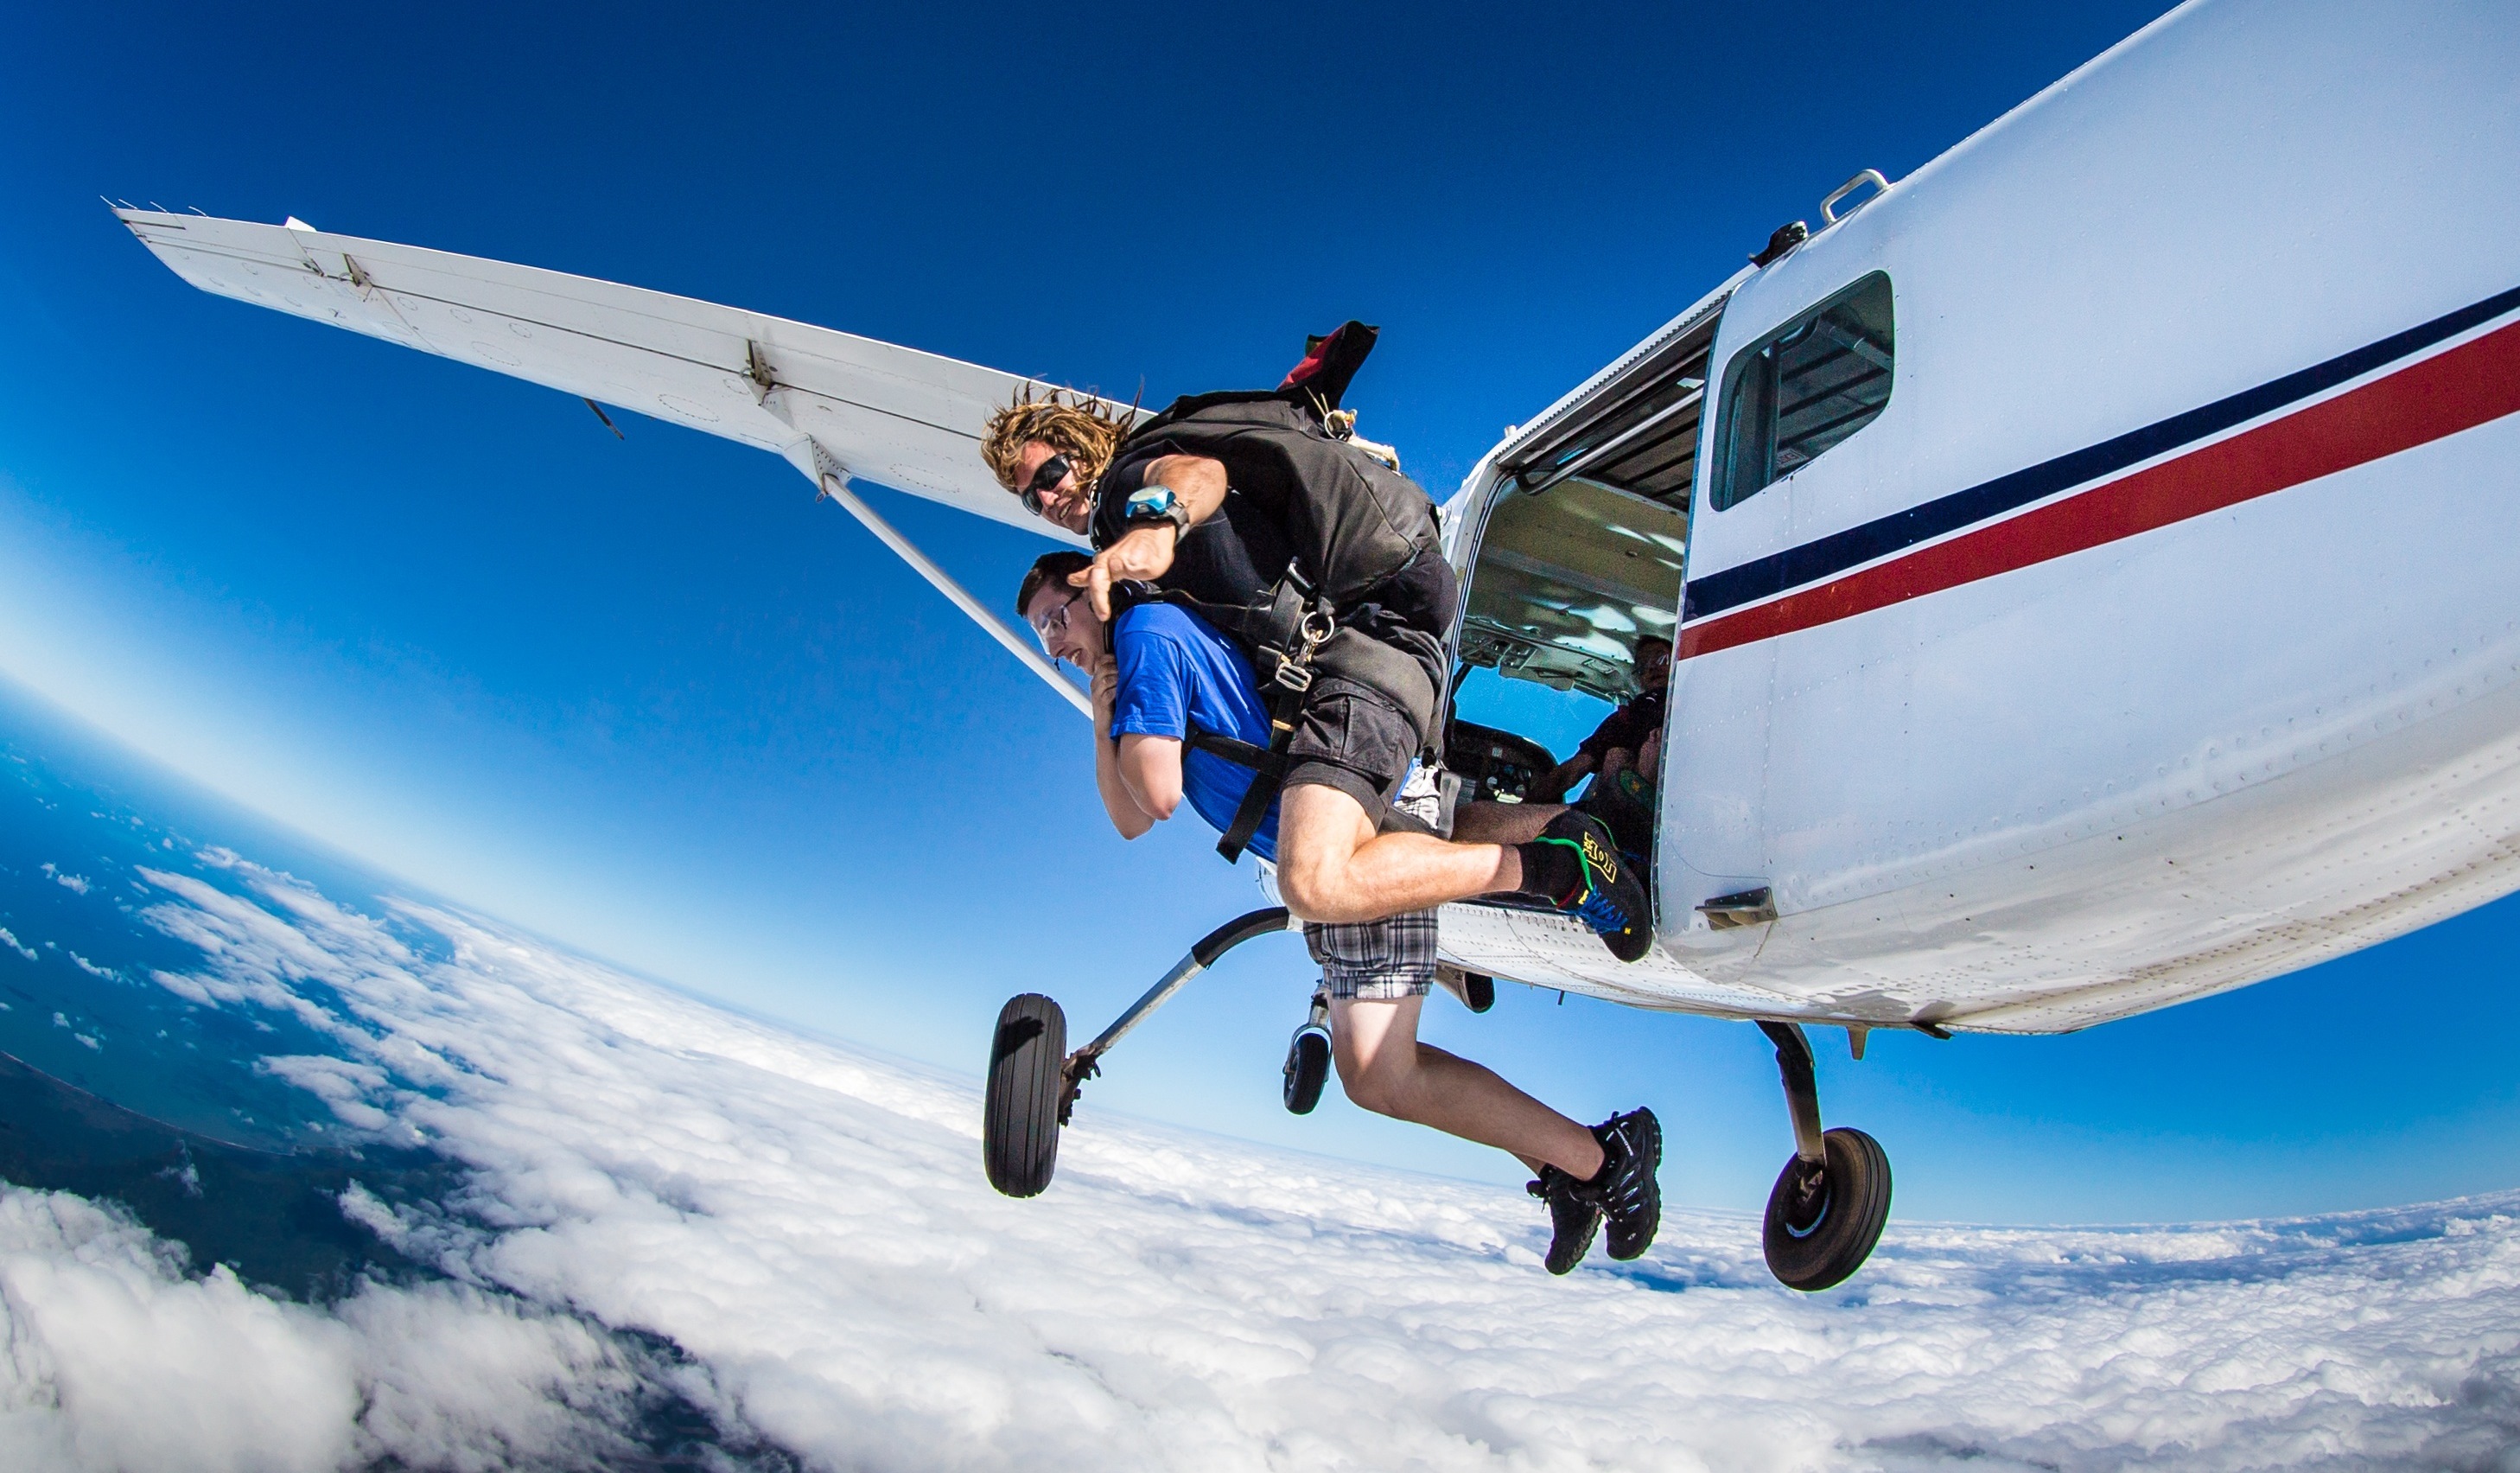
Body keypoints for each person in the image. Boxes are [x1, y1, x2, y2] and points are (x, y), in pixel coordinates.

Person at [1017, 551, 1660, 1272]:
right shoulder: (1141, 647)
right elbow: (1129, 820)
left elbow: (1153, 799)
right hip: (1340, 799)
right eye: (1042, 635)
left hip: (1335, 832)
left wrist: (1114, 710)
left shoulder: (1144, 638)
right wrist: (1105, 710)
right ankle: (1567, 1159)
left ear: (1095, 591)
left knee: (1379, 1075)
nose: (1055, 645)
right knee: (1449, 836)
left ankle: (1601, 1160)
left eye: (1055, 619)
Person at [981, 349, 1655, 964]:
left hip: (1360, 656)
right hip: (1363, 653)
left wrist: (1158, 526)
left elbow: (1196, 475)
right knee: (1416, 840)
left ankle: (1561, 871)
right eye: (1027, 494)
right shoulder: (1126, 571)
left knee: (1314, 878)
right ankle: (1590, 833)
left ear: (1084, 450)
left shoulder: (1130, 484)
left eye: (1051, 472)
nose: (1044, 497)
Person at [1537, 635, 1672, 804]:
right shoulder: (1627, 719)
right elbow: (1572, 771)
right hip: (1625, 815)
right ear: (1638, 678)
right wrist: (1525, 807)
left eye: (1661, 658)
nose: (1652, 667)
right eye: (1643, 665)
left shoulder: (1694, 705)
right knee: (1616, 756)